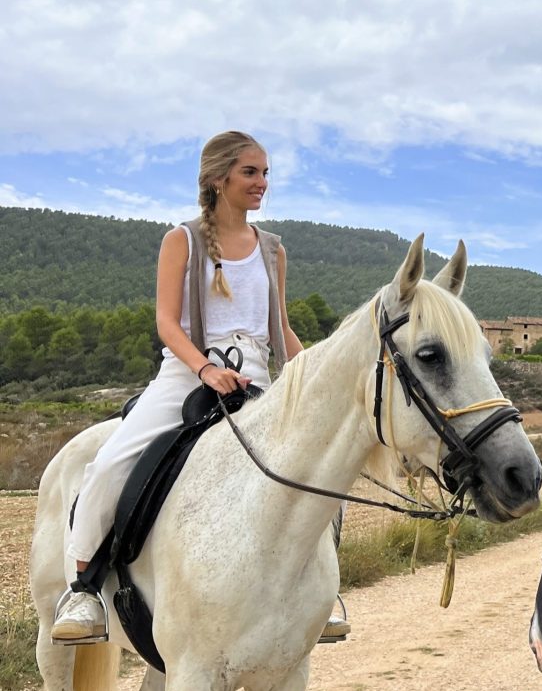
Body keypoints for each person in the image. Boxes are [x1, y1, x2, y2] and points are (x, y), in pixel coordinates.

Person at [51, 130, 349, 644]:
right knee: (108, 465)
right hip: (185, 375)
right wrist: (205, 369)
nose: (262, 183)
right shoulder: (181, 240)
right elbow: (167, 322)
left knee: (321, 475)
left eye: (265, 173)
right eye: (251, 173)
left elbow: (280, 327)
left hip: (258, 376)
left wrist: (317, 375)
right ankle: (83, 588)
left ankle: (317, 594)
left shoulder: (273, 250)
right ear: (218, 179)